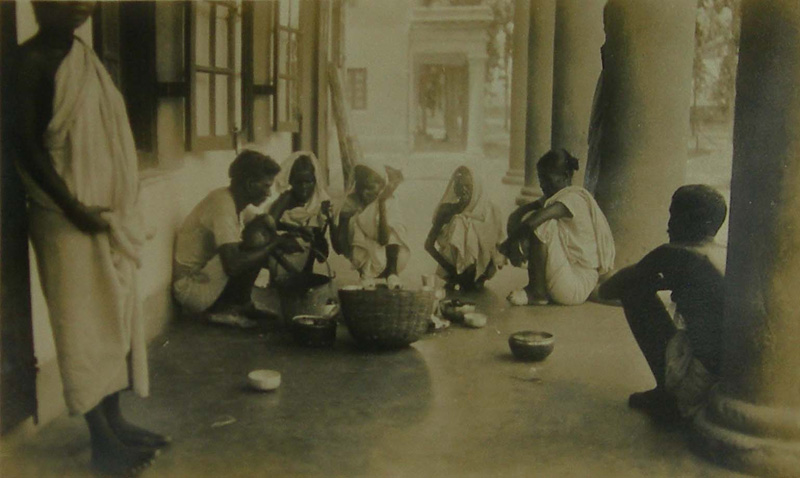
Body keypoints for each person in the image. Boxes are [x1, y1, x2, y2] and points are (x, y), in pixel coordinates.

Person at [11, 2, 166, 475]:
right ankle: (102, 444)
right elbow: (26, 148)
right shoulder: (27, 62)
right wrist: (76, 209)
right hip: (65, 219)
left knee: (114, 323)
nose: (82, 2)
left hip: (106, 217)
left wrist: (109, 209)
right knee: (84, 330)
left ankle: (115, 422)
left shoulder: (85, 56)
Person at [599, 185, 727, 423]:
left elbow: (608, 290)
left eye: (675, 216)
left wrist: (650, 279)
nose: (668, 224)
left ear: (695, 222)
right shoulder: (723, 253)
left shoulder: (675, 253)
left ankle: (666, 398)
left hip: (698, 385)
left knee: (633, 291)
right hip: (730, 380)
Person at [172, 150, 301, 328]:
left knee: (263, 225)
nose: (269, 193)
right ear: (249, 184)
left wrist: (289, 234)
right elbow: (232, 265)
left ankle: (243, 305)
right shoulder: (222, 205)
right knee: (255, 240)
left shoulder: (233, 199)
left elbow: (264, 221)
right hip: (192, 290)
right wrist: (276, 243)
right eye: (266, 186)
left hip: (207, 278)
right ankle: (222, 310)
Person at [499, 149, 615, 306]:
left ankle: (537, 293)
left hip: (576, 282)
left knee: (544, 224)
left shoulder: (572, 199)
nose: (542, 185)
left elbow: (532, 222)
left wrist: (505, 246)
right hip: (568, 275)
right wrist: (521, 215)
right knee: (539, 220)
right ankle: (539, 289)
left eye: (547, 179)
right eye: (540, 179)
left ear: (565, 177)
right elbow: (518, 215)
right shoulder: (557, 198)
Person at [425, 165, 504, 291]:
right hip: (452, 270)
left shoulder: (490, 212)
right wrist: (453, 272)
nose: (463, 190)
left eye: (468, 186)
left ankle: (475, 277)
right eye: (459, 185)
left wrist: (485, 272)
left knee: (466, 222)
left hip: (480, 272)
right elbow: (428, 245)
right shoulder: (446, 210)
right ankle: (461, 276)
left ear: (477, 188)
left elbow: (499, 246)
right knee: (459, 221)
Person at [331, 161, 409, 287]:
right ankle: (364, 273)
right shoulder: (350, 202)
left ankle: (392, 272)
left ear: (382, 186)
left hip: (387, 251)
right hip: (362, 254)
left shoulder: (388, 201)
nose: (364, 192)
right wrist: (333, 221)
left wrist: (381, 204)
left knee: (395, 227)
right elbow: (339, 247)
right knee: (354, 223)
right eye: (361, 187)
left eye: (370, 187)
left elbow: (384, 240)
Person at [267, 151, 332, 280]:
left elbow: (321, 252)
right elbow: (268, 225)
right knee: (282, 283)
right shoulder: (285, 199)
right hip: (281, 256)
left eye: (308, 182)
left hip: (307, 257)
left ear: (315, 180)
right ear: (291, 181)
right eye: (298, 182)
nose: (303, 187)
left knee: (304, 280)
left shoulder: (320, 202)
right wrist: (294, 229)